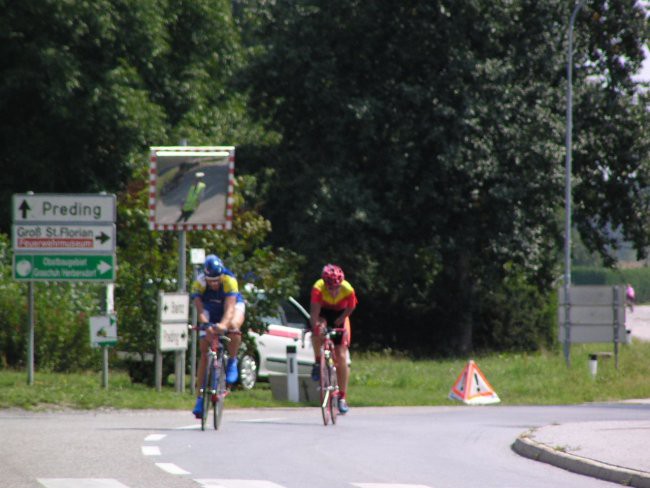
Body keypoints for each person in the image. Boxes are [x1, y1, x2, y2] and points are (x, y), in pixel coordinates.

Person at [190, 254, 245, 418]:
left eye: (217, 280)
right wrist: (206, 325)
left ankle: (232, 361)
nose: (214, 283)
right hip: (210, 309)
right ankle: (200, 398)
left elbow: (229, 310)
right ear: (205, 277)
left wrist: (222, 326)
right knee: (204, 352)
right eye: (210, 280)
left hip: (231, 307)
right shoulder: (199, 283)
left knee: (234, 327)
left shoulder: (229, 280)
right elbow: (200, 311)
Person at [310, 263, 358, 414]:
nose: (334, 291)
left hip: (340, 315)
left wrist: (341, 319)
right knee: (316, 330)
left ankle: (342, 397)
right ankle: (318, 361)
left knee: (341, 355)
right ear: (325, 284)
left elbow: (351, 307)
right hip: (323, 312)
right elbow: (315, 313)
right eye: (330, 287)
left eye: (336, 287)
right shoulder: (318, 288)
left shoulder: (348, 289)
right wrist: (316, 327)